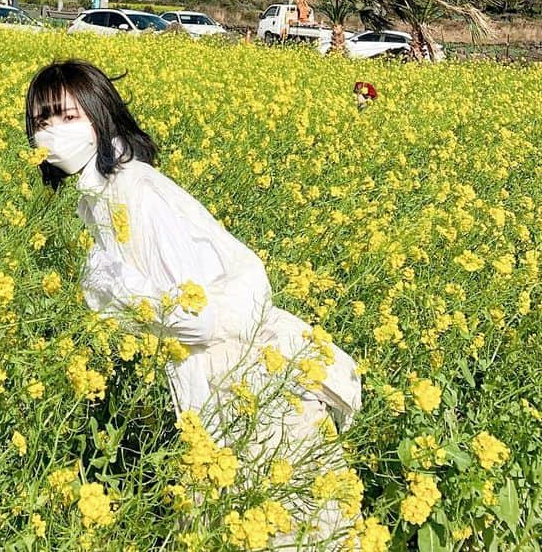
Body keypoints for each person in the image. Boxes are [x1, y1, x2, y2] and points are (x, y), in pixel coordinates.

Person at [26, 59, 362, 540]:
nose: (53, 133)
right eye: (42, 122)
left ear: (101, 116)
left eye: (68, 116)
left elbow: (200, 317)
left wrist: (110, 289)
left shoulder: (136, 192)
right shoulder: (96, 197)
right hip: (212, 385)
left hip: (243, 386)